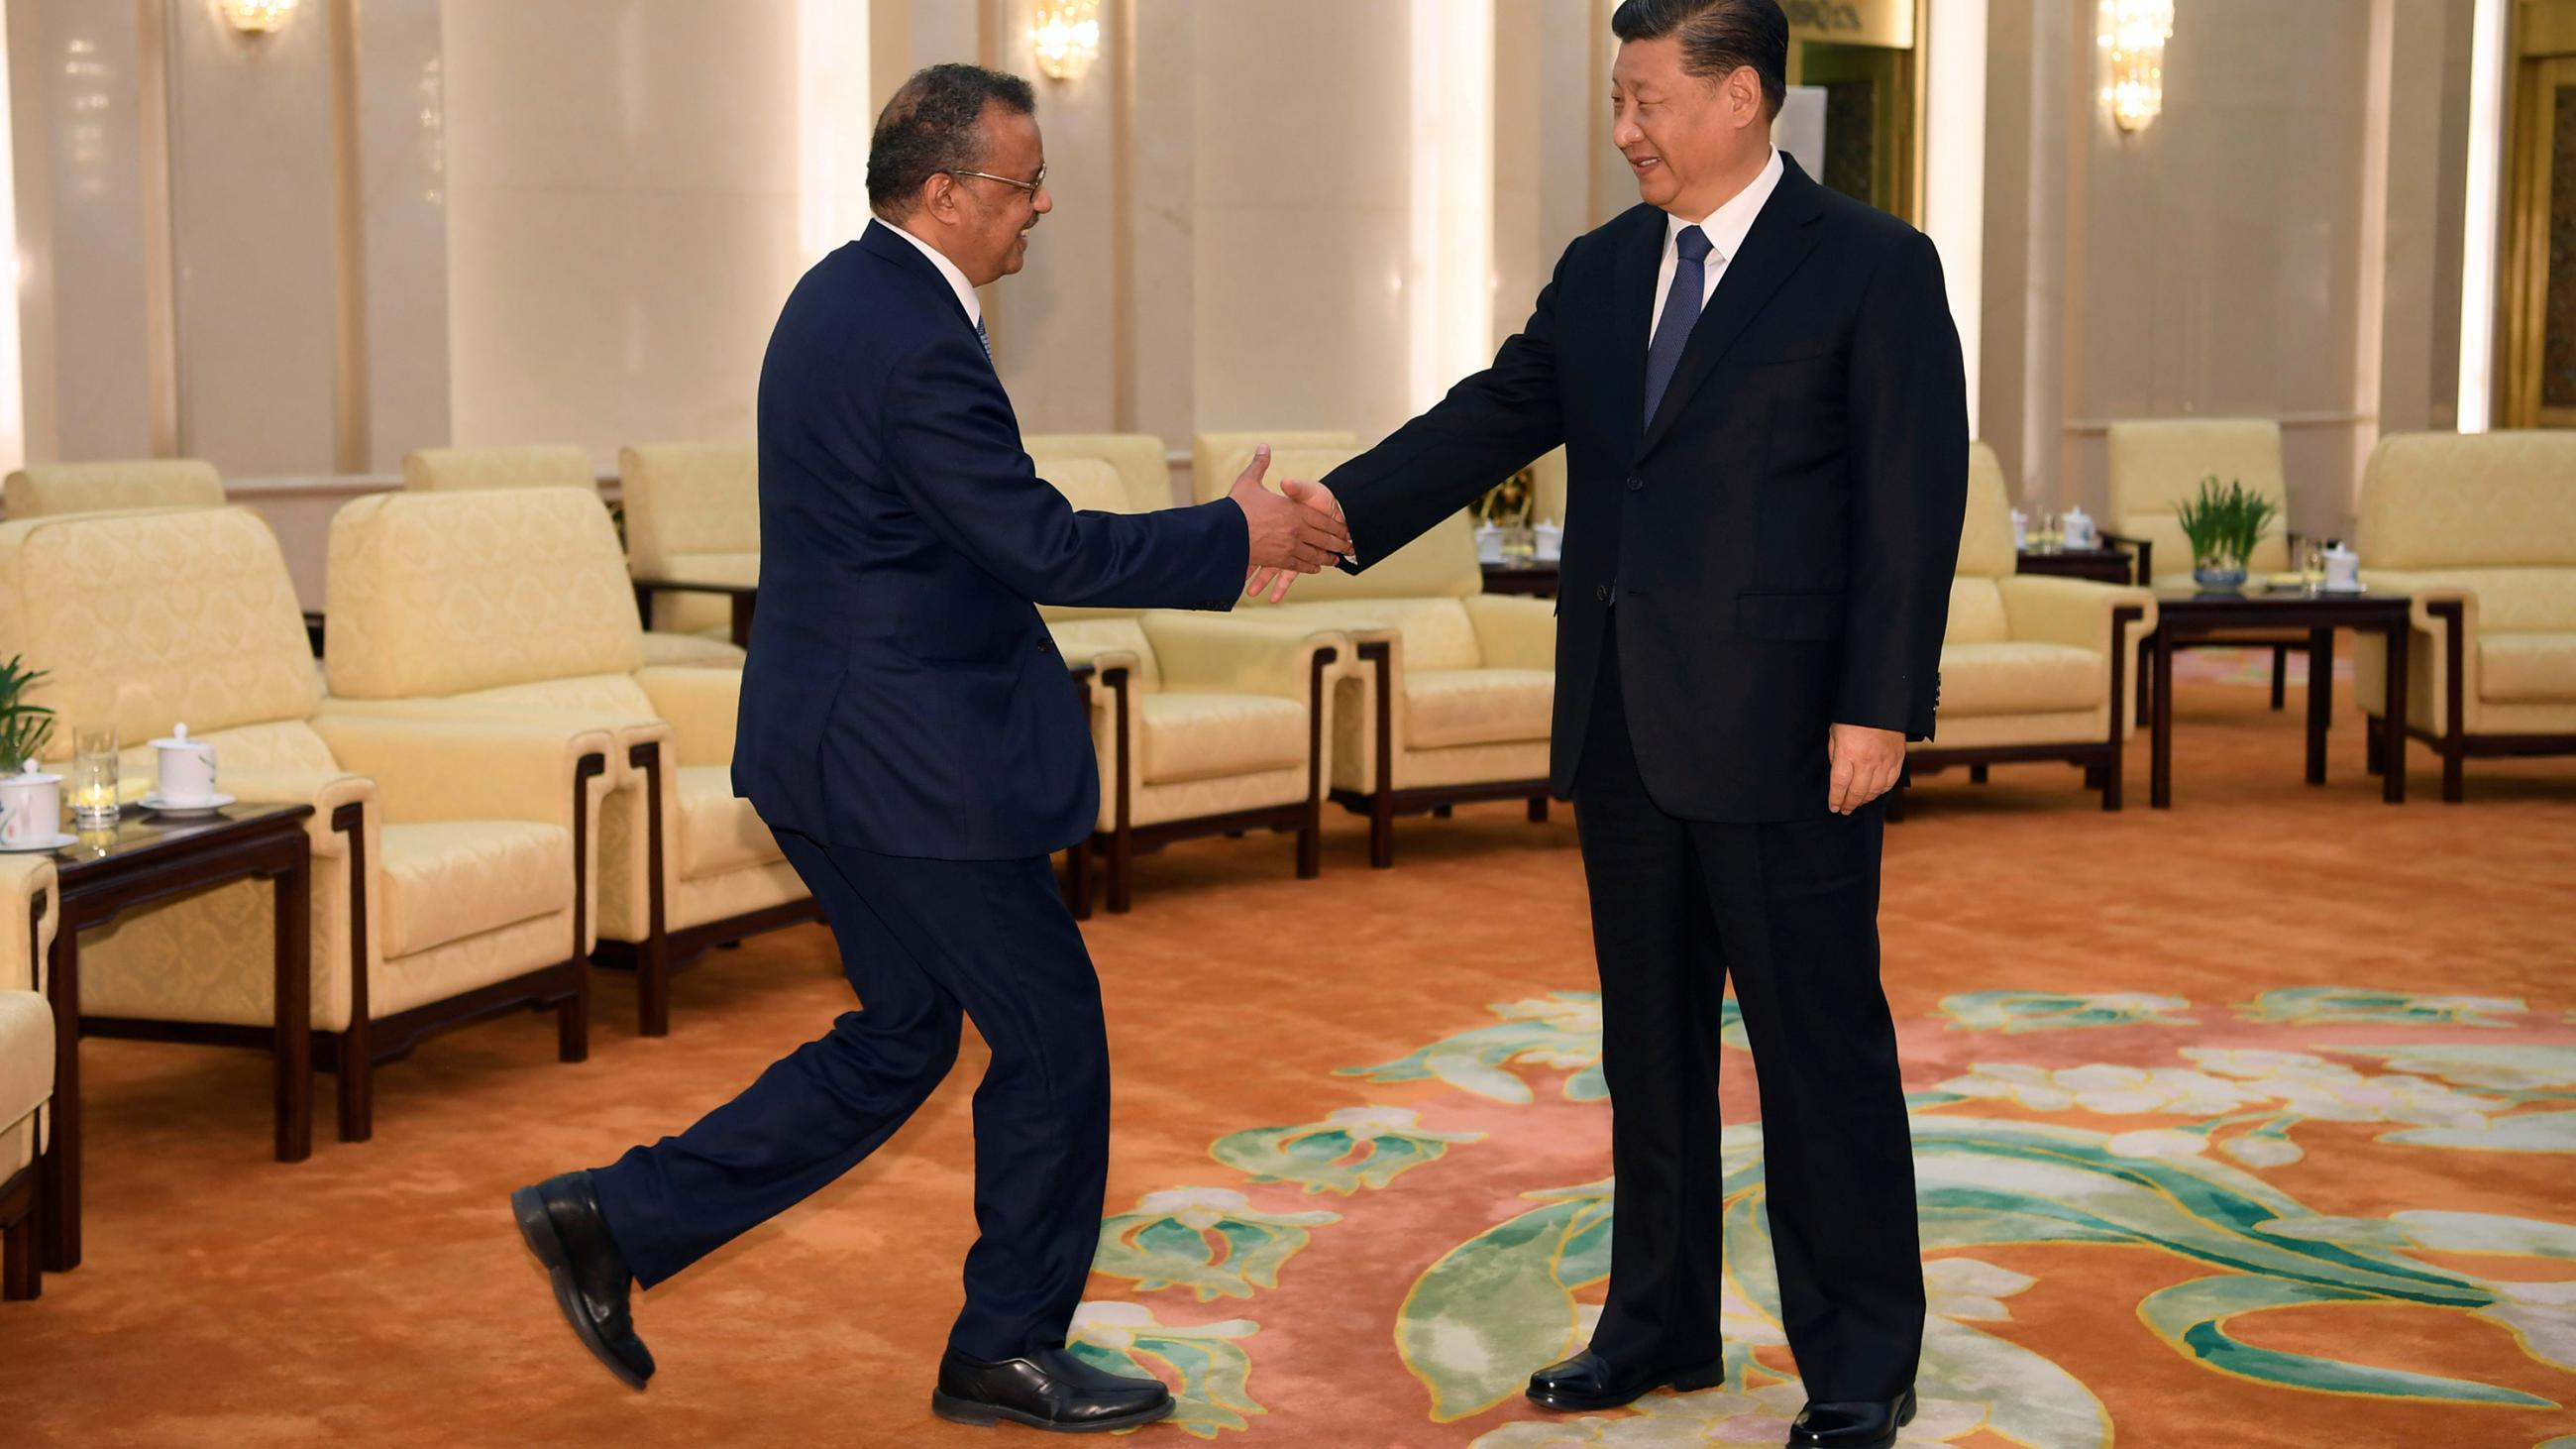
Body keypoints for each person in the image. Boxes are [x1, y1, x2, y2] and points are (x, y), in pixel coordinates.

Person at [507, 63, 1348, 1436]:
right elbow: (1037, 541)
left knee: (902, 1034)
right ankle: (1006, 1346)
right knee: (1055, 1039)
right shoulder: (912, 338)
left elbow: (956, 542)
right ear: (948, 192)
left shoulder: (849, 296)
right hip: (904, 767)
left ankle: (616, 1214)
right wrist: (1227, 534)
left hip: (838, 746)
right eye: (1023, 185)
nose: (1042, 207)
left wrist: (1212, 535)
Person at [1291, 3, 1966, 1445]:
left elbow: (1914, 505)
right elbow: (1490, 417)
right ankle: (1656, 1322)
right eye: (1617, 99)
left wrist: (1880, 704)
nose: (1624, 131)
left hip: (1793, 735)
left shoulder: (1871, 266)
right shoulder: (1603, 272)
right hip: (1623, 725)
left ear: (1736, 97)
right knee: (1646, 1050)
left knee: (1816, 1049)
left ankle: (1860, 1359)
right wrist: (1340, 511)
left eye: (1645, 100)